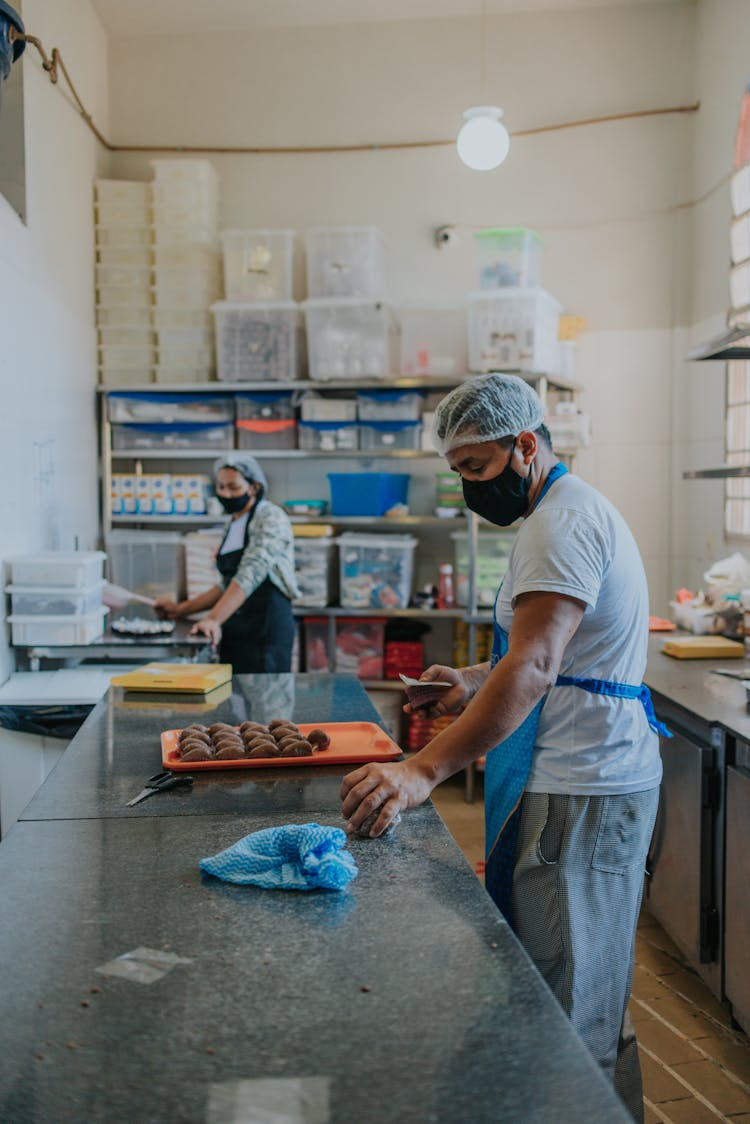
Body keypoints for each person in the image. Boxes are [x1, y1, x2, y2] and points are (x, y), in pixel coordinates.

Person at [340, 373, 665, 1123]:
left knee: (570, 1003)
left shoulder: (561, 524)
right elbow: (549, 656)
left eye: (478, 469)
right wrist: (471, 679)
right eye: (457, 472)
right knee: (586, 994)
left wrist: (422, 771)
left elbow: (539, 667)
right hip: (587, 778)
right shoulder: (560, 514)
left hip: (582, 787)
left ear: (526, 445)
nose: (468, 489)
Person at [154, 455, 299, 673]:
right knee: (235, 701)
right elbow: (226, 584)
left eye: (233, 487)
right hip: (235, 626)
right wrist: (179, 609)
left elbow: (249, 574)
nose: (225, 494)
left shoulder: (270, 517)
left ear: (254, 487)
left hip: (266, 627)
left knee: (267, 703)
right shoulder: (233, 522)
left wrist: (213, 619)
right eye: (220, 487)